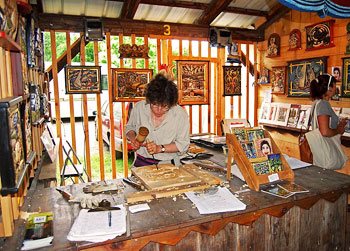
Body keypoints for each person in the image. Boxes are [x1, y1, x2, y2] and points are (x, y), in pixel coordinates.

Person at [125, 73, 190, 167]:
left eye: (165, 106)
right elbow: (130, 127)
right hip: (141, 163)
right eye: (154, 104)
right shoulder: (139, 108)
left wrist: (160, 148)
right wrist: (133, 138)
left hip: (168, 164)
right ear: (149, 99)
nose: (159, 110)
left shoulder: (180, 114)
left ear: (171, 103)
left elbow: (182, 144)